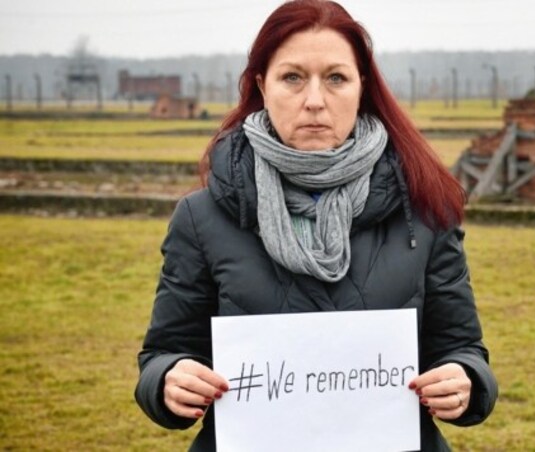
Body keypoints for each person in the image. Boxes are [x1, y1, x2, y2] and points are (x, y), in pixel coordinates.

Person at [134, 0, 497, 450]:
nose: (314, 101)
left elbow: (463, 349)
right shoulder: (201, 218)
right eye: (292, 77)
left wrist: (465, 381)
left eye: (336, 78)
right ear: (262, 87)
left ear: (362, 87)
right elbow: (162, 354)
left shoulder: (424, 212)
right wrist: (168, 380)